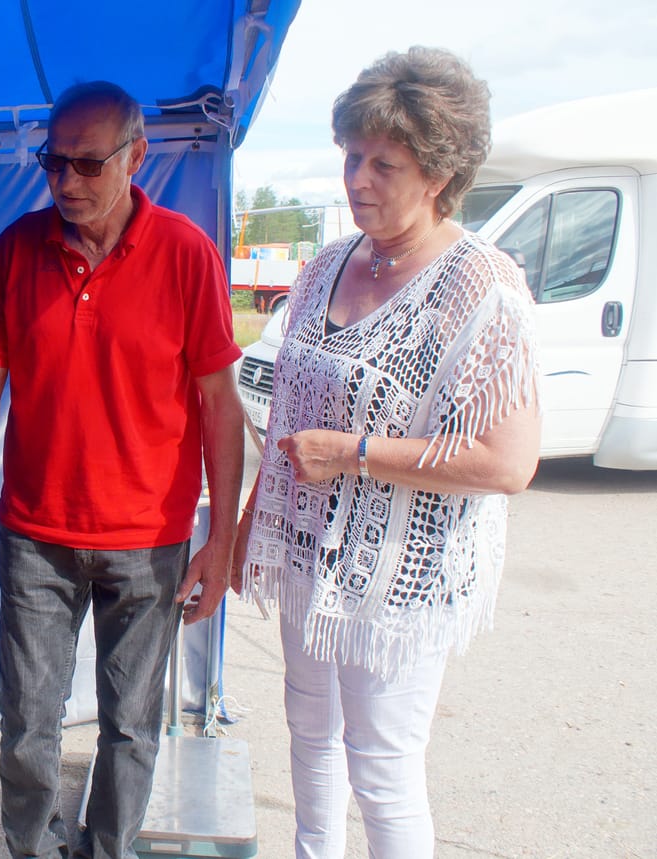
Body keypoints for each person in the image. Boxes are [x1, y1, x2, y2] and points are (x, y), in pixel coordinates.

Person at [234, 47, 542, 858]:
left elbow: (507, 463)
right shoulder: (328, 265)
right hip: (306, 555)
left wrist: (356, 453)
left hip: (398, 577)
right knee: (308, 733)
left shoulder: (481, 286)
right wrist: (244, 526)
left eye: (385, 164)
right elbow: (288, 414)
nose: (357, 180)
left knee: (382, 771)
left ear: (439, 173)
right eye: (351, 157)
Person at [0, 81, 247, 859]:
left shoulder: (185, 255)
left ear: (137, 156)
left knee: (132, 724)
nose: (66, 182)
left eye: (87, 164)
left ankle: (108, 850)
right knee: (28, 719)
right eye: (52, 163)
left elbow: (219, 403)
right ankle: (33, 849)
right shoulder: (15, 249)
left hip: (151, 538)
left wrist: (223, 537)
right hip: (36, 533)